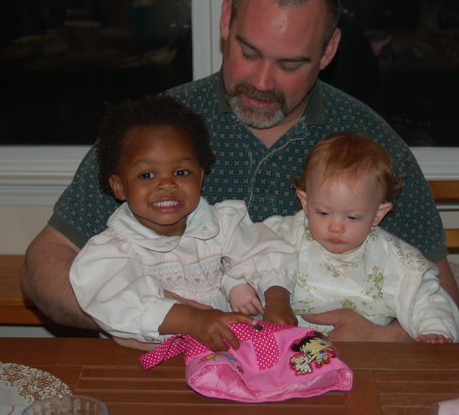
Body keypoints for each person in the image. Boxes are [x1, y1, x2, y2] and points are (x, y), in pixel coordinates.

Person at [22, 0, 459, 342]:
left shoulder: (368, 143)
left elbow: (439, 286)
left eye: (290, 64)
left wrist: (388, 340)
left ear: (328, 50)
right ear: (226, 18)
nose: (262, 83)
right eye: (248, 52)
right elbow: (43, 266)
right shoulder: (155, 133)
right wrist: (144, 320)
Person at [68, 95, 298, 351]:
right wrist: (193, 320)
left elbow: (263, 251)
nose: (167, 184)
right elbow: (113, 302)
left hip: (225, 356)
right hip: (147, 362)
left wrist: (277, 300)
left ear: (200, 176)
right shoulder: (114, 250)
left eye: (181, 172)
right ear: (119, 186)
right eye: (147, 175)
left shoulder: (223, 225)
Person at [263, 133, 459, 344]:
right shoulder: (285, 236)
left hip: (364, 353)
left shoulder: (395, 259)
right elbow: (248, 258)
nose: (336, 227)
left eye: (352, 217)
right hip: (284, 352)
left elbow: (426, 299)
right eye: (323, 213)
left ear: (377, 214)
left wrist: (434, 331)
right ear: (305, 202)